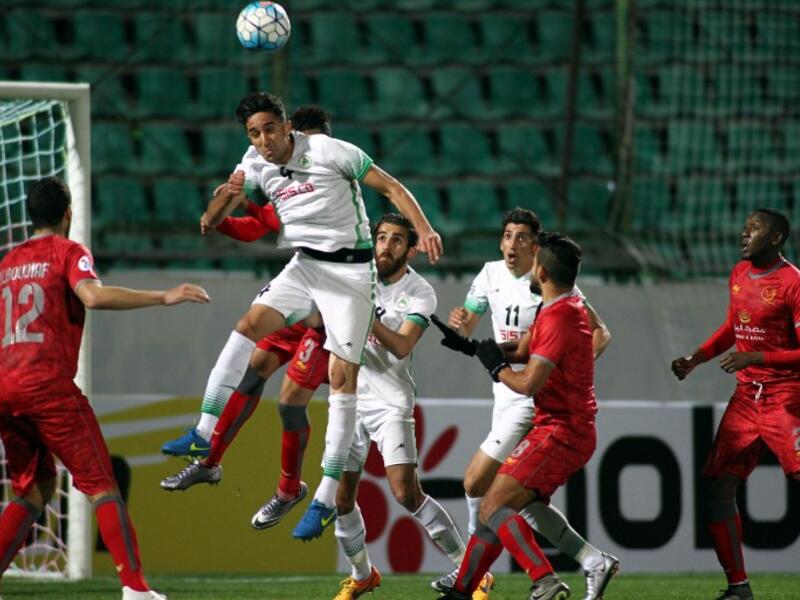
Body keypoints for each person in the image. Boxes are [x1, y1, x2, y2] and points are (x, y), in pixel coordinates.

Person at [158, 92, 443, 542]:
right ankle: (203, 434)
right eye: (255, 133)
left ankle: (322, 497)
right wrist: (223, 202)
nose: (264, 140)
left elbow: (390, 188)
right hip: (304, 267)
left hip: (348, 276)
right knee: (249, 329)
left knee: (325, 384)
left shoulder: (332, 152)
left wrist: (424, 228)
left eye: (270, 129)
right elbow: (220, 219)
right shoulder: (255, 163)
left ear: (288, 126)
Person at [0, 177, 210, 600]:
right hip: (47, 386)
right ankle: (135, 589)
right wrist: (164, 296)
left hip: (5, 389)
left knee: (34, 489)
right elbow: (92, 297)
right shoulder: (68, 251)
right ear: (68, 214)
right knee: (102, 486)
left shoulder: (6, 263)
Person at [434, 209, 616, 599]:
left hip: (557, 425)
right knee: (511, 505)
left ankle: (544, 580)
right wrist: (475, 347)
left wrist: (499, 367)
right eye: (508, 236)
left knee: (484, 494)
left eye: (524, 241)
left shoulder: (560, 314)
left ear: (542, 269)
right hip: (551, 418)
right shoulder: (550, 309)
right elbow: (520, 349)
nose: (515, 248)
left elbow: (529, 382)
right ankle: (466, 587)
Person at [330, 214, 490, 600]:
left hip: (390, 403)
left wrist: (361, 313)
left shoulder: (420, 293)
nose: (385, 246)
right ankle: (362, 574)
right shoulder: (357, 275)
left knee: (405, 492)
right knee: (341, 497)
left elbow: (401, 346)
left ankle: (472, 573)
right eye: (381, 237)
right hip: (349, 399)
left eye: (396, 240)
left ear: (411, 250)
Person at [161, 104, 332, 459]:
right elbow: (257, 227)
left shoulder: (332, 174)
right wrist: (221, 216)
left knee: (325, 400)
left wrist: (242, 205)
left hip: (338, 299)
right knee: (253, 362)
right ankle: (206, 446)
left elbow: (268, 221)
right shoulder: (283, 175)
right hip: (307, 289)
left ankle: (319, 497)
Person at [671, 209, 800, 600]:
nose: (744, 233)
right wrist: (696, 358)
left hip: (786, 396)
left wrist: (756, 358)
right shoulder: (739, 274)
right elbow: (733, 327)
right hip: (747, 398)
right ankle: (738, 588)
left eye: (755, 228)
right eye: (744, 226)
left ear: (776, 238)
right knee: (717, 485)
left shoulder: (793, 282)